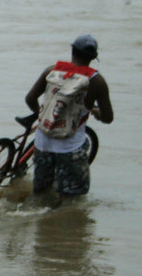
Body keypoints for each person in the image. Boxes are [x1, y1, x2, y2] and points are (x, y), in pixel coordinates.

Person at [24, 34, 114, 204]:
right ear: (94, 57)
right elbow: (108, 117)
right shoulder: (97, 81)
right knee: (72, 201)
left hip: (42, 143)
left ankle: (41, 227)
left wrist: (44, 117)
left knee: (41, 194)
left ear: (72, 50)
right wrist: (95, 111)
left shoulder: (51, 71)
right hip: (70, 147)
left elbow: (30, 99)